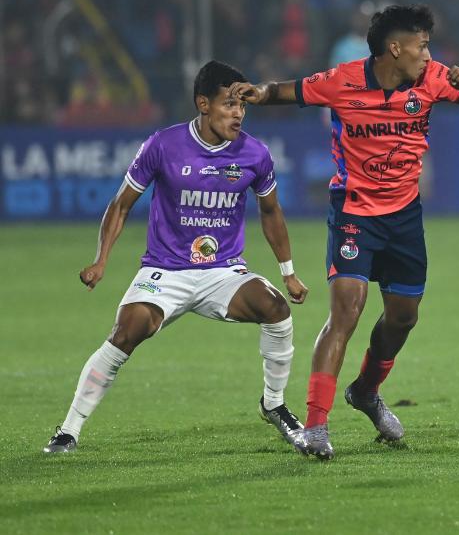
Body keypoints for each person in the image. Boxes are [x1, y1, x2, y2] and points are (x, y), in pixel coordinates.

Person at [231, 4, 459, 459]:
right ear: (394, 48)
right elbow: (289, 91)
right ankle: (316, 427)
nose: (428, 53)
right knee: (346, 311)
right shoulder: (344, 81)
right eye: (421, 45)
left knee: (403, 316)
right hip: (354, 212)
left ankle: (365, 391)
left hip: (404, 217)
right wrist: (257, 92)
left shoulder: (436, 78)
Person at [44, 60, 310, 454]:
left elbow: (271, 212)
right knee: (128, 330)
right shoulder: (163, 145)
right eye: (227, 105)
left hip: (223, 272)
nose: (237, 114)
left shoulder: (255, 154)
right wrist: (101, 260)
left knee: (275, 309)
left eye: (242, 106)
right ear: (203, 103)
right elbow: (120, 206)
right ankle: (68, 430)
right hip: (165, 270)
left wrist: (288, 272)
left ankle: (274, 404)